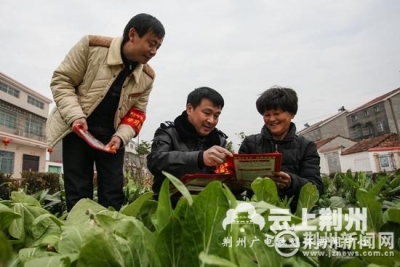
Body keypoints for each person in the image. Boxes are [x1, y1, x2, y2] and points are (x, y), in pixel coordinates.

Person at [46, 13, 165, 211]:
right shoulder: (91, 47)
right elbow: (62, 81)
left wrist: (120, 138)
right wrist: (75, 115)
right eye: (151, 43)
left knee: (113, 194)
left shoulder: (147, 76)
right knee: (78, 193)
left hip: (112, 139)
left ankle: (109, 238)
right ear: (133, 34)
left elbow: (137, 113)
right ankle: (79, 235)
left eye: (158, 47)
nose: (153, 51)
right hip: (78, 130)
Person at [238, 86, 323, 213]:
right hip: (258, 215)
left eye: (277, 114)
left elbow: (316, 187)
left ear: (292, 114)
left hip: (293, 216)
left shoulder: (306, 147)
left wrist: (291, 182)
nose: (271, 119)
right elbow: (237, 183)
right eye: (267, 115)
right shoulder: (250, 143)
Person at [146, 87, 233, 203]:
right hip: (168, 205)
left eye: (216, 116)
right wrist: (199, 158)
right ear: (190, 109)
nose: (211, 120)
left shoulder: (219, 140)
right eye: (207, 113)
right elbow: (155, 161)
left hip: (205, 207)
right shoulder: (169, 132)